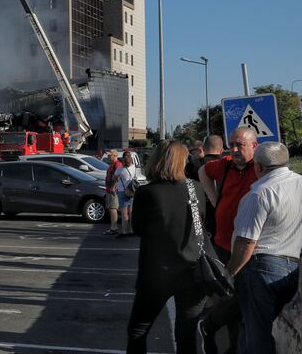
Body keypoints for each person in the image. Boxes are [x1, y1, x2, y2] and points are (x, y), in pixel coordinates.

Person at [127, 140, 208, 353]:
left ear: (157, 160)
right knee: (186, 334)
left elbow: (137, 229)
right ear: (184, 162)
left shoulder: (147, 193)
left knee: (138, 331)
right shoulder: (196, 189)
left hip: (157, 273)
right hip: (193, 272)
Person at [227, 142, 302, 354]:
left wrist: (230, 272)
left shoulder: (260, 193)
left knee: (256, 333)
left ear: (258, 166)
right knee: (253, 329)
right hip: (291, 268)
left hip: (261, 269)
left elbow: (246, 242)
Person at [197, 127, 259, 354]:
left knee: (241, 299)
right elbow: (203, 171)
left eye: (239, 145)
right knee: (230, 297)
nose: (233, 150)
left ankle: (209, 326)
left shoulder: (261, 167)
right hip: (224, 244)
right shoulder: (224, 165)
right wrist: (214, 200)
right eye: (231, 144)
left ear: (254, 146)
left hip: (250, 247)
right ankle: (230, 345)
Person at [115, 151, 137, 237]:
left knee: (124, 213)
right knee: (131, 211)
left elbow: (114, 178)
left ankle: (124, 231)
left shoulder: (120, 169)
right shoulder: (133, 167)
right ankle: (131, 230)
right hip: (132, 191)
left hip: (122, 191)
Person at [103, 150, 122, 235]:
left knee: (113, 208)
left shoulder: (117, 164)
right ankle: (113, 227)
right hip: (109, 189)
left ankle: (114, 228)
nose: (108, 157)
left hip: (113, 190)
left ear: (114, 155)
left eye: (110, 155)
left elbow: (117, 177)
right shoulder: (113, 164)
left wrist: (113, 187)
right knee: (111, 208)